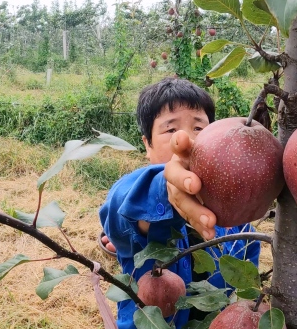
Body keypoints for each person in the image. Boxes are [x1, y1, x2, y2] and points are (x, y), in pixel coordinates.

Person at [99, 77, 260, 329]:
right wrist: (165, 188)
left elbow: (247, 289)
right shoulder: (137, 191)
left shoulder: (240, 225)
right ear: (147, 145)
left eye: (199, 129)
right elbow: (117, 212)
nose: (185, 139)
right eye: (170, 129)